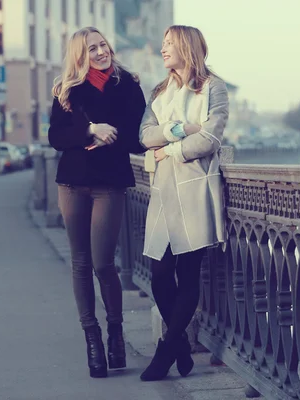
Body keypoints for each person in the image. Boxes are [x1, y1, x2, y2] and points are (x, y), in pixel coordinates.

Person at [48, 26, 146, 378]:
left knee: (104, 264)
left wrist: (111, 136)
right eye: (92, 49)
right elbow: (55, 137)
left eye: (103, 45)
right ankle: (92, 339)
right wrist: (90, 131)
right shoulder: (67, 90)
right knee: (80, 263)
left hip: (110, 183)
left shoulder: (128, 85)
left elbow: (138, 138)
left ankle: (115, 332)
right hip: (72, 183)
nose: (101, 52)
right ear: (79, 55)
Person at [138, 25, 229, 381]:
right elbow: (145, 136)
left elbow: (209, 138)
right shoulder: (160, 91)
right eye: (162, 44)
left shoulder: (213, 87)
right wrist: (179, 129)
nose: (163, 50)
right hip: (163, 190)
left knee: (188, 272)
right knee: (159, 273)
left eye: (169, 44)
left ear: (186, 47)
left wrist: (169, 149)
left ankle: (167, 349)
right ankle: (179, 347)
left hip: (194, 188)